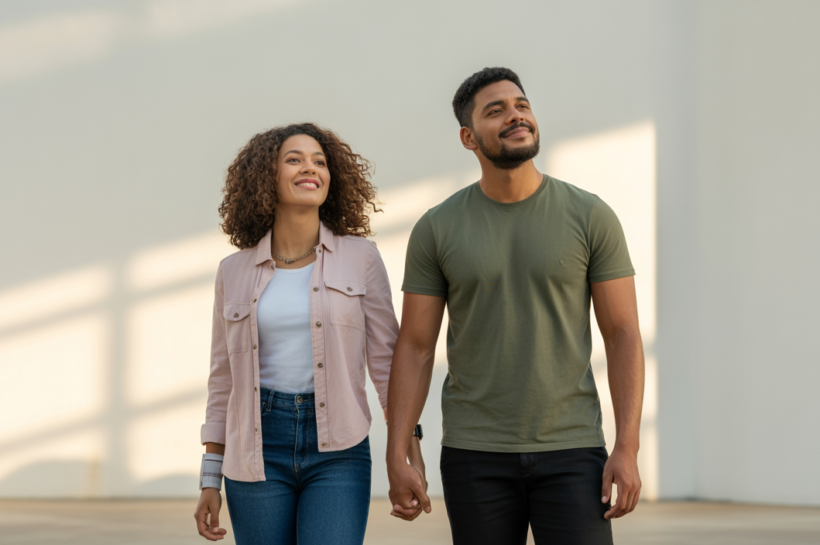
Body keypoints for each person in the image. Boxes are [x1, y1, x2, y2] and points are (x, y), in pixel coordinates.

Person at [385, 67, 645, 544]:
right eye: (496, 110)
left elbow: (623, 333)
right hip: (473, 452)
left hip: (573, 447)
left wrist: (627, 445)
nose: (515, 115)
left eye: (521, 105)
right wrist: (398, 449)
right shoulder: (437, 228)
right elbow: (416, 345)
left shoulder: (590, 216)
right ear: (468, 137)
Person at [193, 123, 425, 544]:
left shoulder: (361, 258)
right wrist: (210, 477)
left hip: (339, 448)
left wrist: (410, 454)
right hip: (255, 449)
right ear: (266, 176)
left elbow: (388, 365)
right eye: (294, 159)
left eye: (320, 161)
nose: (310, 168)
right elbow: (222, 378)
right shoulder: (234, 271)